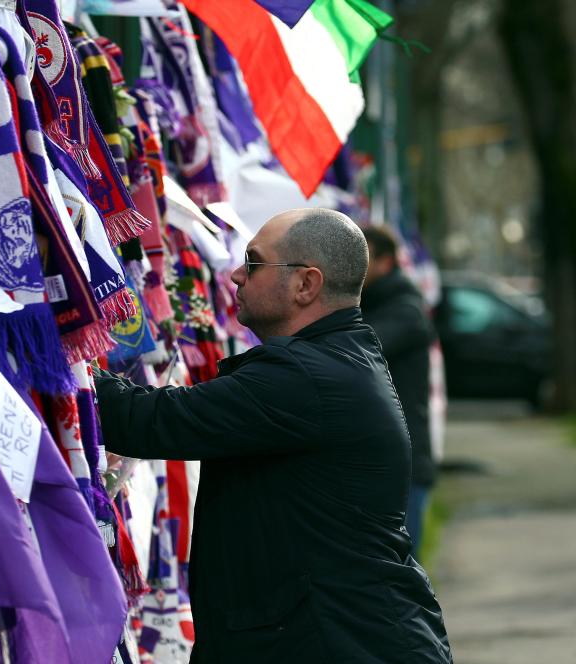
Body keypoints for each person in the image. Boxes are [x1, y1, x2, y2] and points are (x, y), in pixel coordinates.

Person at [94, 209, 452, 663]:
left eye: (254, 262)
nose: (237, 275)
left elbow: (148, 421)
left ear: (306, 284)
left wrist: (64, 357)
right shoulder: (336, 357)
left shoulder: (305, 376)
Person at [361, 226, 437, 559]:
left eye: (362, 257)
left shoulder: (406, 310)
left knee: (400, 580)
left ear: (386, 261)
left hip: (402, 468)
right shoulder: (379, 304)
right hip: (383, 463)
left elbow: (359, 351)